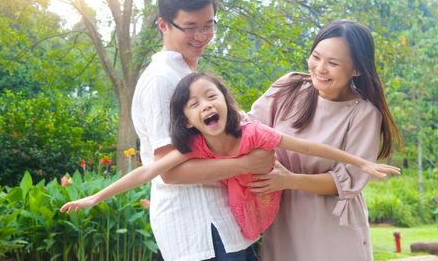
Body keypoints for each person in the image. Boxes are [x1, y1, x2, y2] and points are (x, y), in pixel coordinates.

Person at [60, 72, 399, 241]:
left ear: (225, 101)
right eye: (194, 104)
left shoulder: (253, 133)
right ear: (187, 121)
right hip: (244, 217)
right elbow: (147, 173)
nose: (205, 105)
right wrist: (96, 197)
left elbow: (309, 147)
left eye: (211, 96)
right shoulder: (193, 146)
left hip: (269, 203)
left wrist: (360, 162)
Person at [123, 0, 275, 261]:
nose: (202, 35)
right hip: (197, 228)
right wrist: (244, 163)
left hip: (223, 223)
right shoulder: (161, 80)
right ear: (163, 25)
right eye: (190, 27)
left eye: (208, 25)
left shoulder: (187, 76)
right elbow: (169, 171)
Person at [247, 20, 404, 261]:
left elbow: (344, 182)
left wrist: (288, 180)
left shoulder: (363, 114)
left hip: (331, 226)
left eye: (333, 63)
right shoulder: (288, 87)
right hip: (282, 218)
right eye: (316, 57)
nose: (320, 68)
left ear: (357, 69)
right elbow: (248, 132)